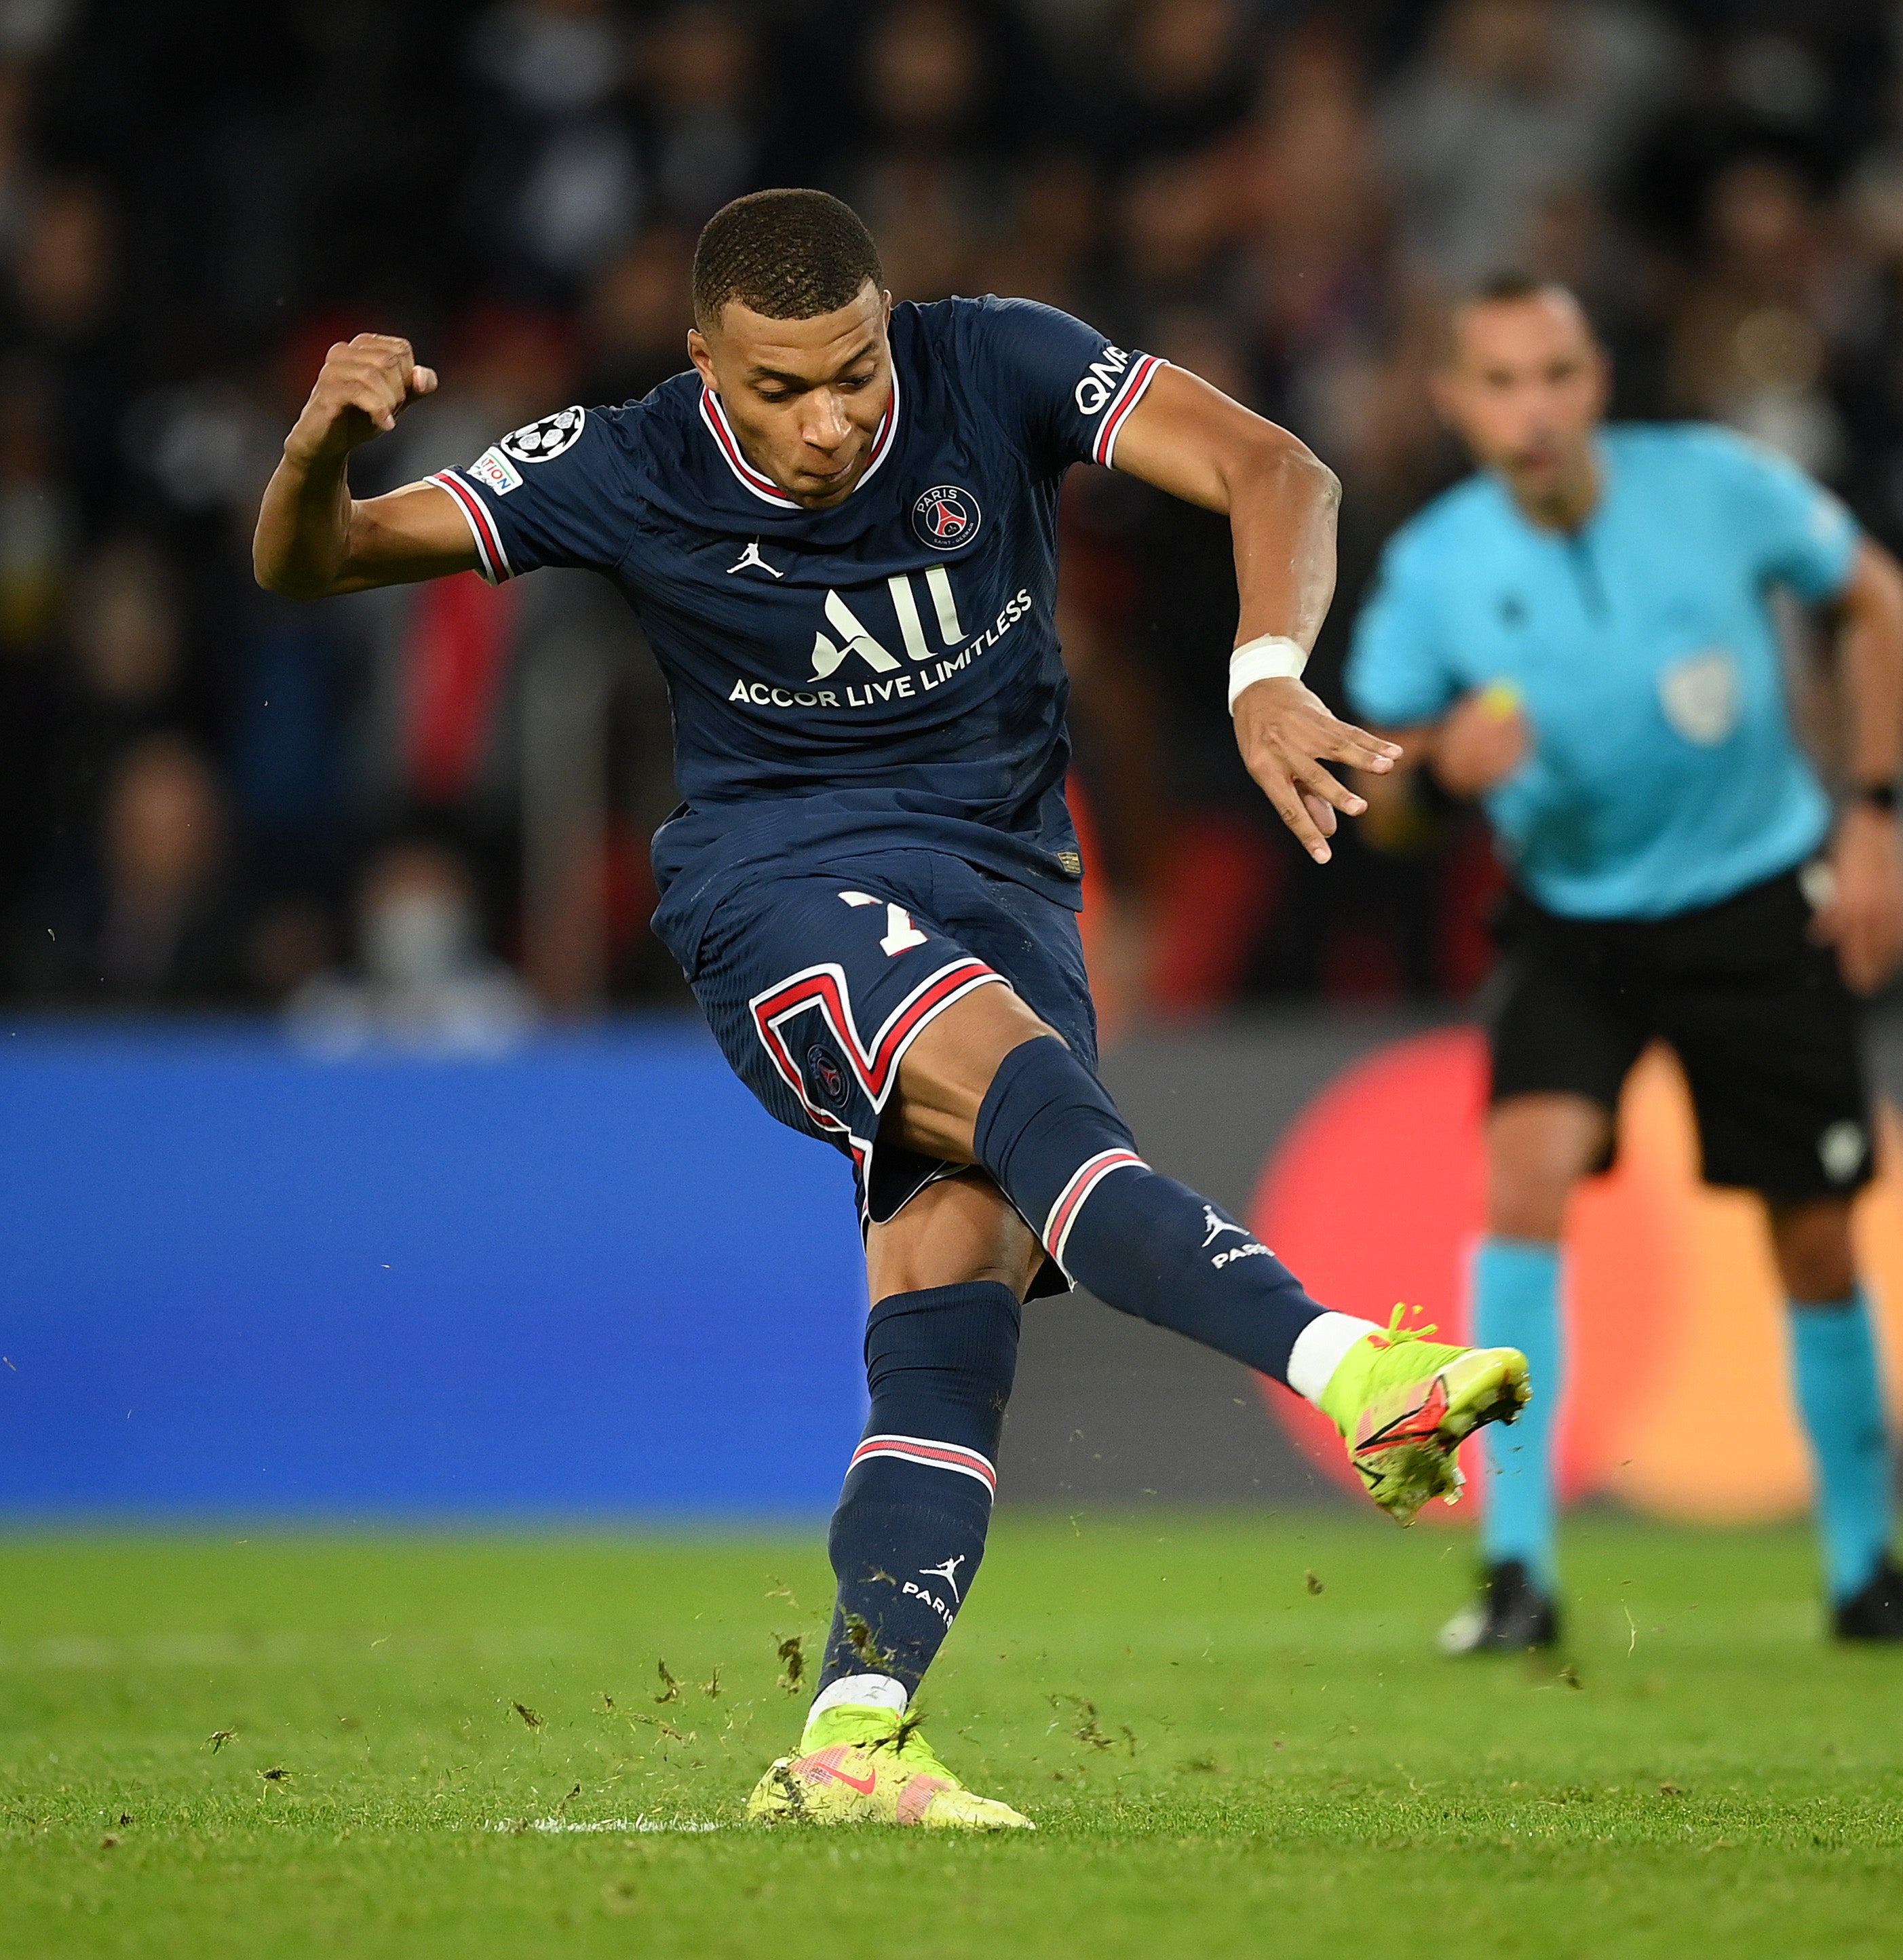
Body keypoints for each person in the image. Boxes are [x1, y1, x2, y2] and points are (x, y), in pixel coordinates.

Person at [250, 189, 1530, 1831]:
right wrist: (312, 455)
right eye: (778, 389)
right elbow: (324, 560)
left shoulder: (989, 363)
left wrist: (1264, 667)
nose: (830, 420)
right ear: (706, 361)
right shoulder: (623, 461)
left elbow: (1281, 466)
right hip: (777, 892)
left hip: (1006, 891)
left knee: (953, 1305)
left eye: (851, 372)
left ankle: (854, 1733)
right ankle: (1354, 1368)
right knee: (1018, 1090)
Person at [1348, 277, 1903, 1655]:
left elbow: (1879, 598)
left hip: (1757, 900)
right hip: (1573, 918)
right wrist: (1441, 768)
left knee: (1814, 1236)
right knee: (1526, 1174)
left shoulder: (1717, 486)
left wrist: (1874, 813)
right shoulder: (1435, 569)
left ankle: (1868, 1572)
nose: (1533, 410)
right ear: (1454, 401)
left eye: (1555, 374)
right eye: (1500, 382)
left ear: (1598, 380)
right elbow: (1378, 794)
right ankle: (1516, 1575)